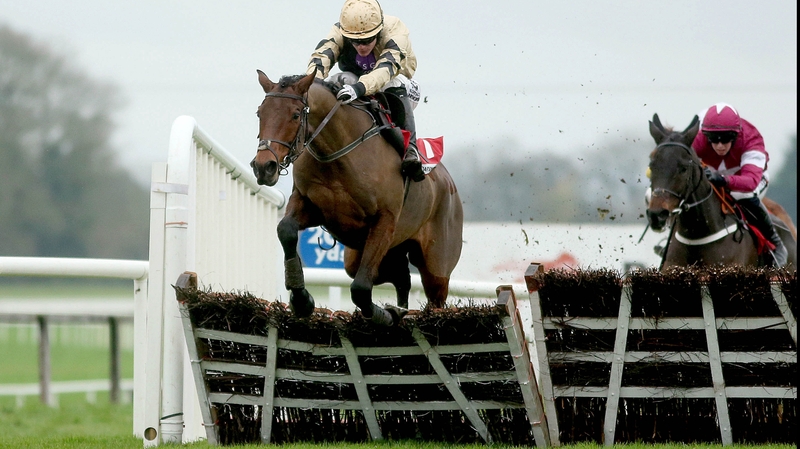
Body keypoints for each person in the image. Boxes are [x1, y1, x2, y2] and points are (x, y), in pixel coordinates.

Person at [306, 0, 425, 182]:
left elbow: (386, 68)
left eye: (368, 40)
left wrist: (359, 89)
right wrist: (309, 87)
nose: (361, 46)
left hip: (399, 86)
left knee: (393, 81)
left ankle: (412, 150)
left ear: (379, 31)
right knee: (336, 80)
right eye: (355, 41)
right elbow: (322, 57)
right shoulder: (339, 31)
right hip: (355, 83)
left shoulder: (395, 31)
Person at [691, 102, 788, 267]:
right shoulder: (699, 139)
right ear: (706, 135)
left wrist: (723, 179)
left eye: (727, 138)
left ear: (736, 135)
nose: (720, 145)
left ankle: (776, 243)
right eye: (714, 140)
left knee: (740, 194)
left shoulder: (751, 139)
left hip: (752, 179)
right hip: (716, 175)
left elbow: (749, 182)